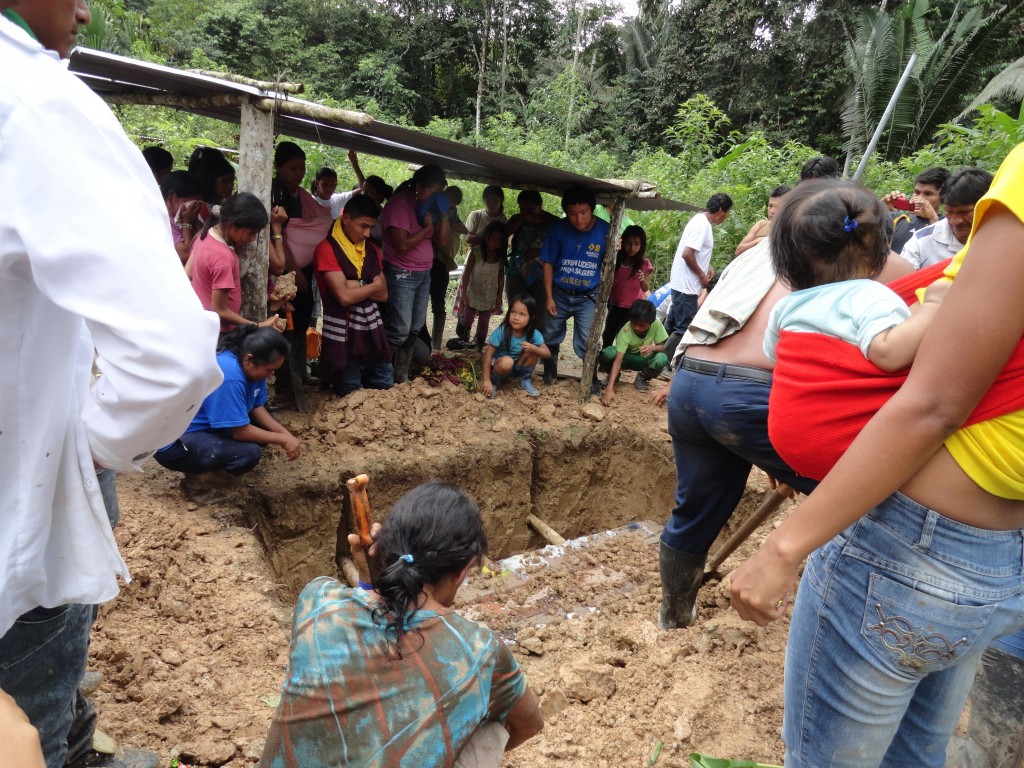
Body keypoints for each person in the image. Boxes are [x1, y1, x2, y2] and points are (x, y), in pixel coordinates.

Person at [730, 143, 1024, 768]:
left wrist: (784, 547)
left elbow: (930, 402)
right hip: (999, 558)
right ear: (882, 248)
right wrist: (937, 303)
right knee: (919, 754)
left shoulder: (809, 305)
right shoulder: (877, 298)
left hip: (910, 546)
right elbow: (895, 360)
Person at [0, 6, 223, 767]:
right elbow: (175, 360)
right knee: (28, 732)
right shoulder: (37, 105)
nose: (87, 10)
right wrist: (83, 453)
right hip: (17, 535)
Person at [652, 157, 913, 631]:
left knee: (696, 506)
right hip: (757, 392)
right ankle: (855, 620)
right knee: (863, 499)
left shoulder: (760, 251)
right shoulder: (885, 267)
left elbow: (707, 312)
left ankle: (674, 616)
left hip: (691, 382)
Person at [260, 482, 544, 768]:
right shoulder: (481, 651)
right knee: (491, 726)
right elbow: (529, 725)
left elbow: (373, 624)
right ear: (462, 571)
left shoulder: (317, 598)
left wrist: (370, 579)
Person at [765, 180, 949, 481]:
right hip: (845, 447)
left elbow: (774, 355)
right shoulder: (871, 296)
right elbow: (889, 353)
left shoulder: (788, 305)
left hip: (787, 442)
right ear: (880, 254)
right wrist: (931, 306)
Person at [154, 326, 301, 498]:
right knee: (248, 453)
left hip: (201, 429)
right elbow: (240, 432)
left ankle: (209, 467)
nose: (271, 375)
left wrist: (286, 435)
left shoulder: (253, 369)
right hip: (173, 443)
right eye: (269, 369)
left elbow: (256, 407)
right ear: (249, 359)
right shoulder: (229, 375)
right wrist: (282, 439)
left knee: (263, 435)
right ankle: (198, 485)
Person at [313, 195, 393, 396]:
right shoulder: (327, 249)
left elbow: (383, 294)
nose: (367, 233)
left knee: (384, 385)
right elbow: (344, 298)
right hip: (344, 333)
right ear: (346, 217)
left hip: (372, 330)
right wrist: (370, 285)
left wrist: (355, 285)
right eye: (363, 226)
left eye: (371, 227)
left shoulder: (371, 250)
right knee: (350, 391)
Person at [539, 185, 612, 392]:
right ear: (566, 212)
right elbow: (547, 263)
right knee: (551, 334)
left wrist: (616, 247)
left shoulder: (606, 231)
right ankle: (549, 374)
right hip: (560, 293)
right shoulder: (558, 229)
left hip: (587, 296)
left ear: (592, 209)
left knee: (588, 340)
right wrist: (549, 296)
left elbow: (613, 260)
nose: (579, 219)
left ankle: (591, 379)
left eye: (584, 213)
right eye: (572, 213)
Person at [381, 164, 448, 383]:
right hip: (402, 272)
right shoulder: (400, 204)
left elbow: (444, 241)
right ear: (419, 186)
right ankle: (379, 374)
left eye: (439, 191)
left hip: (423, 273)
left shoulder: (429, 207)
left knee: (414, 328)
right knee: (399, 329)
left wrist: (444, 214)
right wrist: (426, 230)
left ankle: (400, 375)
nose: (435, 196)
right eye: (433, 191)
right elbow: (401, 245)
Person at [189, 192, 288, 332]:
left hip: (203, 324)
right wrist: (257, 326)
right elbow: (219, 310)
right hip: (220, 332)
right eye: (250, 233)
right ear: (232, 225)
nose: (253, 238)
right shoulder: (223, 257)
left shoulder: (203, 236)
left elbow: (188, 273)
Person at [663, 193, 733, 365]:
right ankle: (660, 365)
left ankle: (655, 361)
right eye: (727, 213)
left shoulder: (698, 220)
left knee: (672, 325)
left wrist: (706, 266)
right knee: (683, 328)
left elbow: (695, 252)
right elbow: (687, 254)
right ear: (721, 210)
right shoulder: (703, 226)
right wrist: (702, 276)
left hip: (681, 283)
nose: (726, 217)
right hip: (687, 286)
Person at [899, 167, 993, 269]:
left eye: (964, 212)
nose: (955, 221)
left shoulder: (1005, 238)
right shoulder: (921, 243)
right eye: (949, 212)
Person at [600, 299, 668, 405]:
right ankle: (614, 377)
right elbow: (618, 361)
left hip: (644, 359)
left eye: (642, 325)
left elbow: (662, 347)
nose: (636, 327)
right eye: (634, 323)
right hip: (626, 359)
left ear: (651, 323)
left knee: (662, 358)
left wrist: (652, 348)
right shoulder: (626, 330)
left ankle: (642, 377)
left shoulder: (657, 324)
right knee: (608, 353)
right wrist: (610, 388)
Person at [481, 294, 549, 399]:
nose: (516, 317)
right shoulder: (502, 331)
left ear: (531, 318)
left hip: (518, 366)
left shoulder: (534, 333)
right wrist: (486, 379)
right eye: (513, 312)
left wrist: (533, 348)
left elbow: (547, 353)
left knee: (534, 351)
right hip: (500, 367)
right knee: (507, 361)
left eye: (522, 314)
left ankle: (524, 380)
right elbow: (487, 354)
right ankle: (495, 381)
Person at [504, 189, 557, 323]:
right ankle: (513, 339)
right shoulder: (518, 218)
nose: (525, 210)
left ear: (539, 204)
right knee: (515, 306)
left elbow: (560, 245)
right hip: (516, 271)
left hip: (541, 273)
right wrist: (522, 217)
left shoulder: (552, 222)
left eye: (529, 208)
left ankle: (536, 340)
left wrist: (538, 251)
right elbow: (503, 233)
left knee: (538, 310)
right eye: (522, 207)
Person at [602, 224, 653, 349]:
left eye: (637, 244)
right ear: (623, 242)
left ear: (642, 245)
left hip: (632, 308)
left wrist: (641, 279)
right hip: (614, 304)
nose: (632, 248)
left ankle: (619, 361)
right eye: (629, 243)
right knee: (609, 333)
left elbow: (646, 288)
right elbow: (605, 277)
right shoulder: (615, 260)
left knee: (623, 335)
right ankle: (605, 358)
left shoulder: (644, 264)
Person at [430, 186, 468, 350]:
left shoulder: (451, 212)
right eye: (448, 197)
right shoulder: (432, 207)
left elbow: (463, 229)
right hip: (428, 260)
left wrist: (450, 223)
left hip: (441, 261)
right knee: (422, 301)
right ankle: (424, 339)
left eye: (453, 200)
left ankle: (436, 344)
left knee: (438, 303)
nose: (450, 201)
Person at [461, 221, 507, 351]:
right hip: (473, 292)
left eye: (499, 240)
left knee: (484, 322)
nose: (495, 243)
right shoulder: (476, 253)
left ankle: (479, 345)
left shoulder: (500, 258)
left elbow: (500, 277)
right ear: (486, 237)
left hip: (489, 295)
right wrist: (463, 293)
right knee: (468, 319)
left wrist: (499, 295)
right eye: (493, 239)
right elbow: (467, 273)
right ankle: (464, 333)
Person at [883, 166, 949, 253]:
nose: (919, 198)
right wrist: (881, 207)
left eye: (928, 194)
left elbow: (943, 253)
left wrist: (933, 218)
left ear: (942, 197)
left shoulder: (948, 224)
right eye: (917, 192)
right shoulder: (898, 218)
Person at [159, 170, 204, 265]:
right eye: (189, 204)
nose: (194, 208)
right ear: (171, 197)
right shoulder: (163, 219)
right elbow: (186, 256)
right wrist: (186, 223)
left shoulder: (189, 216)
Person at [734, 185, 789, 256]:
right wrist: (758, 241)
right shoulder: (761, 225)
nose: (772, 211)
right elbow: (738, 250)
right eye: (770, 206)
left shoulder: (793, 230)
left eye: (778, 207)